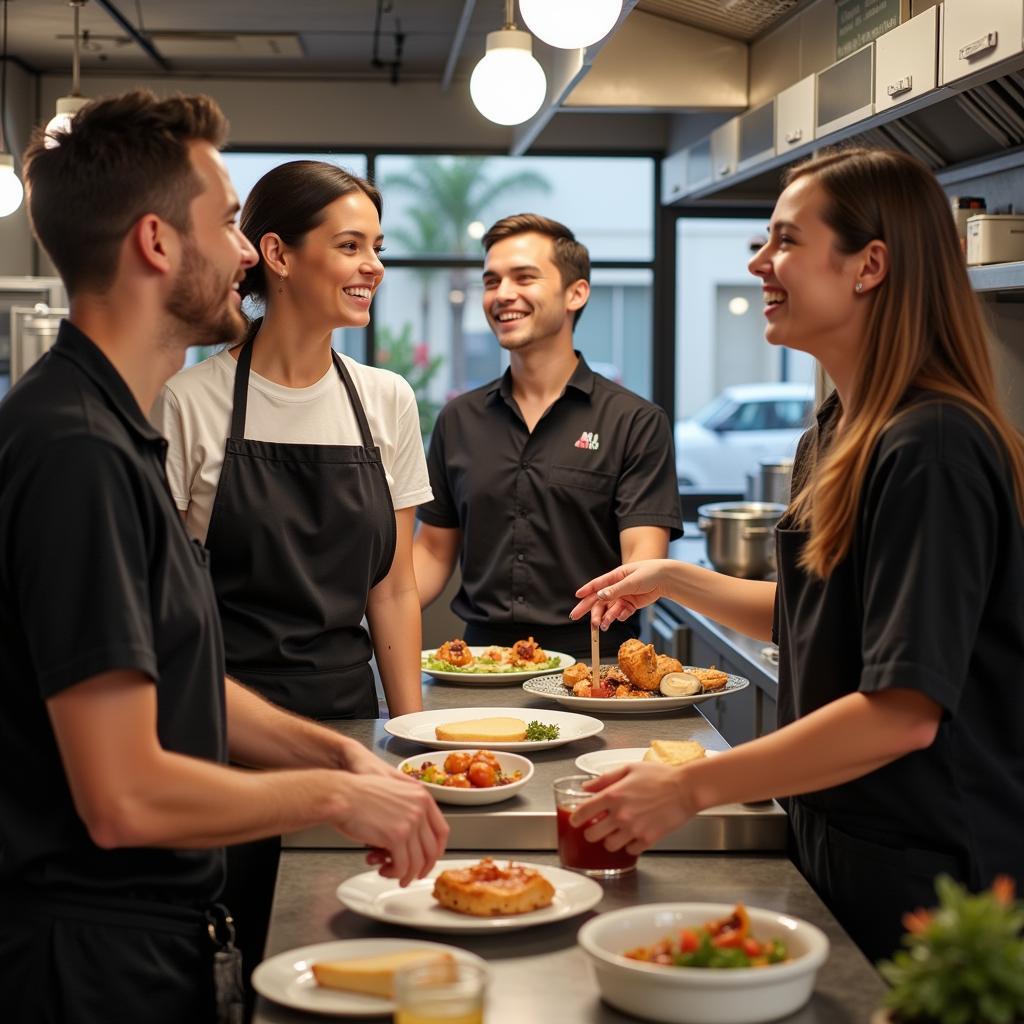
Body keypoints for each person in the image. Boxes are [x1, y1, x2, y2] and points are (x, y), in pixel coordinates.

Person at [0, 90, 447, 1024]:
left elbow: (172, 682)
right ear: (159, 244)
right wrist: (335, 790)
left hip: (140, 928)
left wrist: (341, 749)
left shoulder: (108, 430)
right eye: (230, 221)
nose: (246, 252)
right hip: (89, 958)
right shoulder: (77, 451)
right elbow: (122, 795)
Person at [568, 147, 1024, 963]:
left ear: (868, 266)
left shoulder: (934, 445)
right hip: (837, 828)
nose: (757, 262)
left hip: (932, 872)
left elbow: (904, 710)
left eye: (783, 240)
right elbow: (818, 614)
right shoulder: (839, 429)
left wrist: (690, 785)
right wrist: (672, 577)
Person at [151, 159, 433, 989]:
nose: (373, 265)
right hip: (222, 734)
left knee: (343, 952)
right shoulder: (189, 403)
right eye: (351, 245)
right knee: (234, 959)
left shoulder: (387, 401)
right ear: (276, 254)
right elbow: (165, 609)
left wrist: (412, 749)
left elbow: (390, 589)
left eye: (376, 247)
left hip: (347, 727)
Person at [413, 213, 681, 659]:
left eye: (524, 278)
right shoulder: (458, 419)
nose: (503, 295)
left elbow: (641, 563)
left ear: (576, 293)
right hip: (482, 664)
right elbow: (433, 552)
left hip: (595, 663)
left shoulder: (635, 422)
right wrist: (364, 612)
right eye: (492, 281)